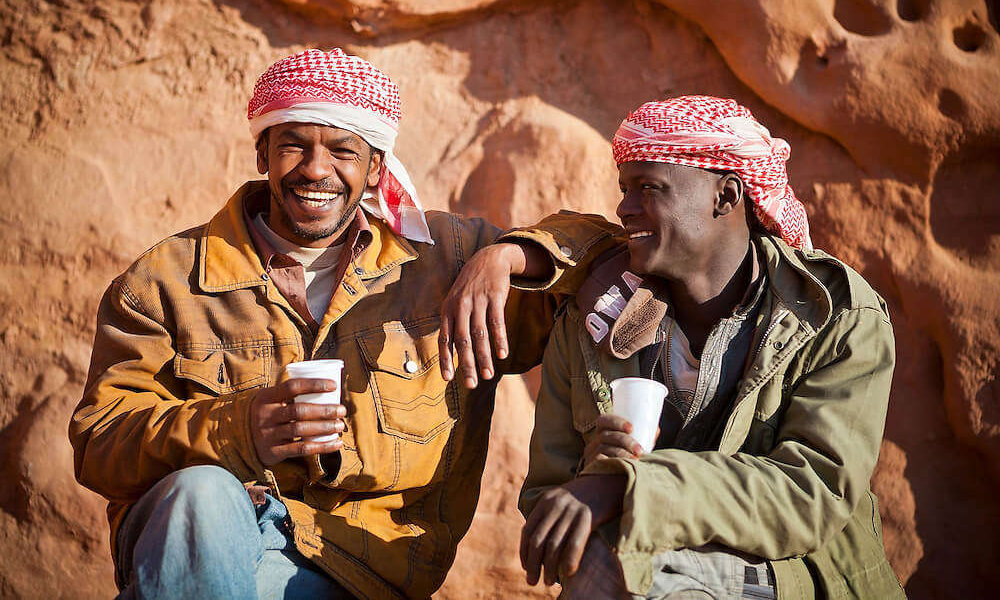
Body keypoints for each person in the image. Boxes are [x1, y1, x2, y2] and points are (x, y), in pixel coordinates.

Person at [68, 48, 616, 599]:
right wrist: (240, 427)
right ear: (262, 153)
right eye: (293, 146)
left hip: (354, 568)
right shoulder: (166, 281)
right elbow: (98, 442)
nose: (315, 169)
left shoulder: (444, 262)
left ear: (376, 167)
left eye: (342, 151)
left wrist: (511, 257)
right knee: (201, 495)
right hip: (200, 547)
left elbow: (609, 248)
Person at [496, 97, 903, 598]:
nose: (624, 207)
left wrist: (633, 489)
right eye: (624, 189)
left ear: (725, 196)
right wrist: (596, 473)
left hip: (794, 578)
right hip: (635, 569)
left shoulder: (833, 315)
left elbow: (811, 492)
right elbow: (548, 507)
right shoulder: (590, 322)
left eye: (649, 188)